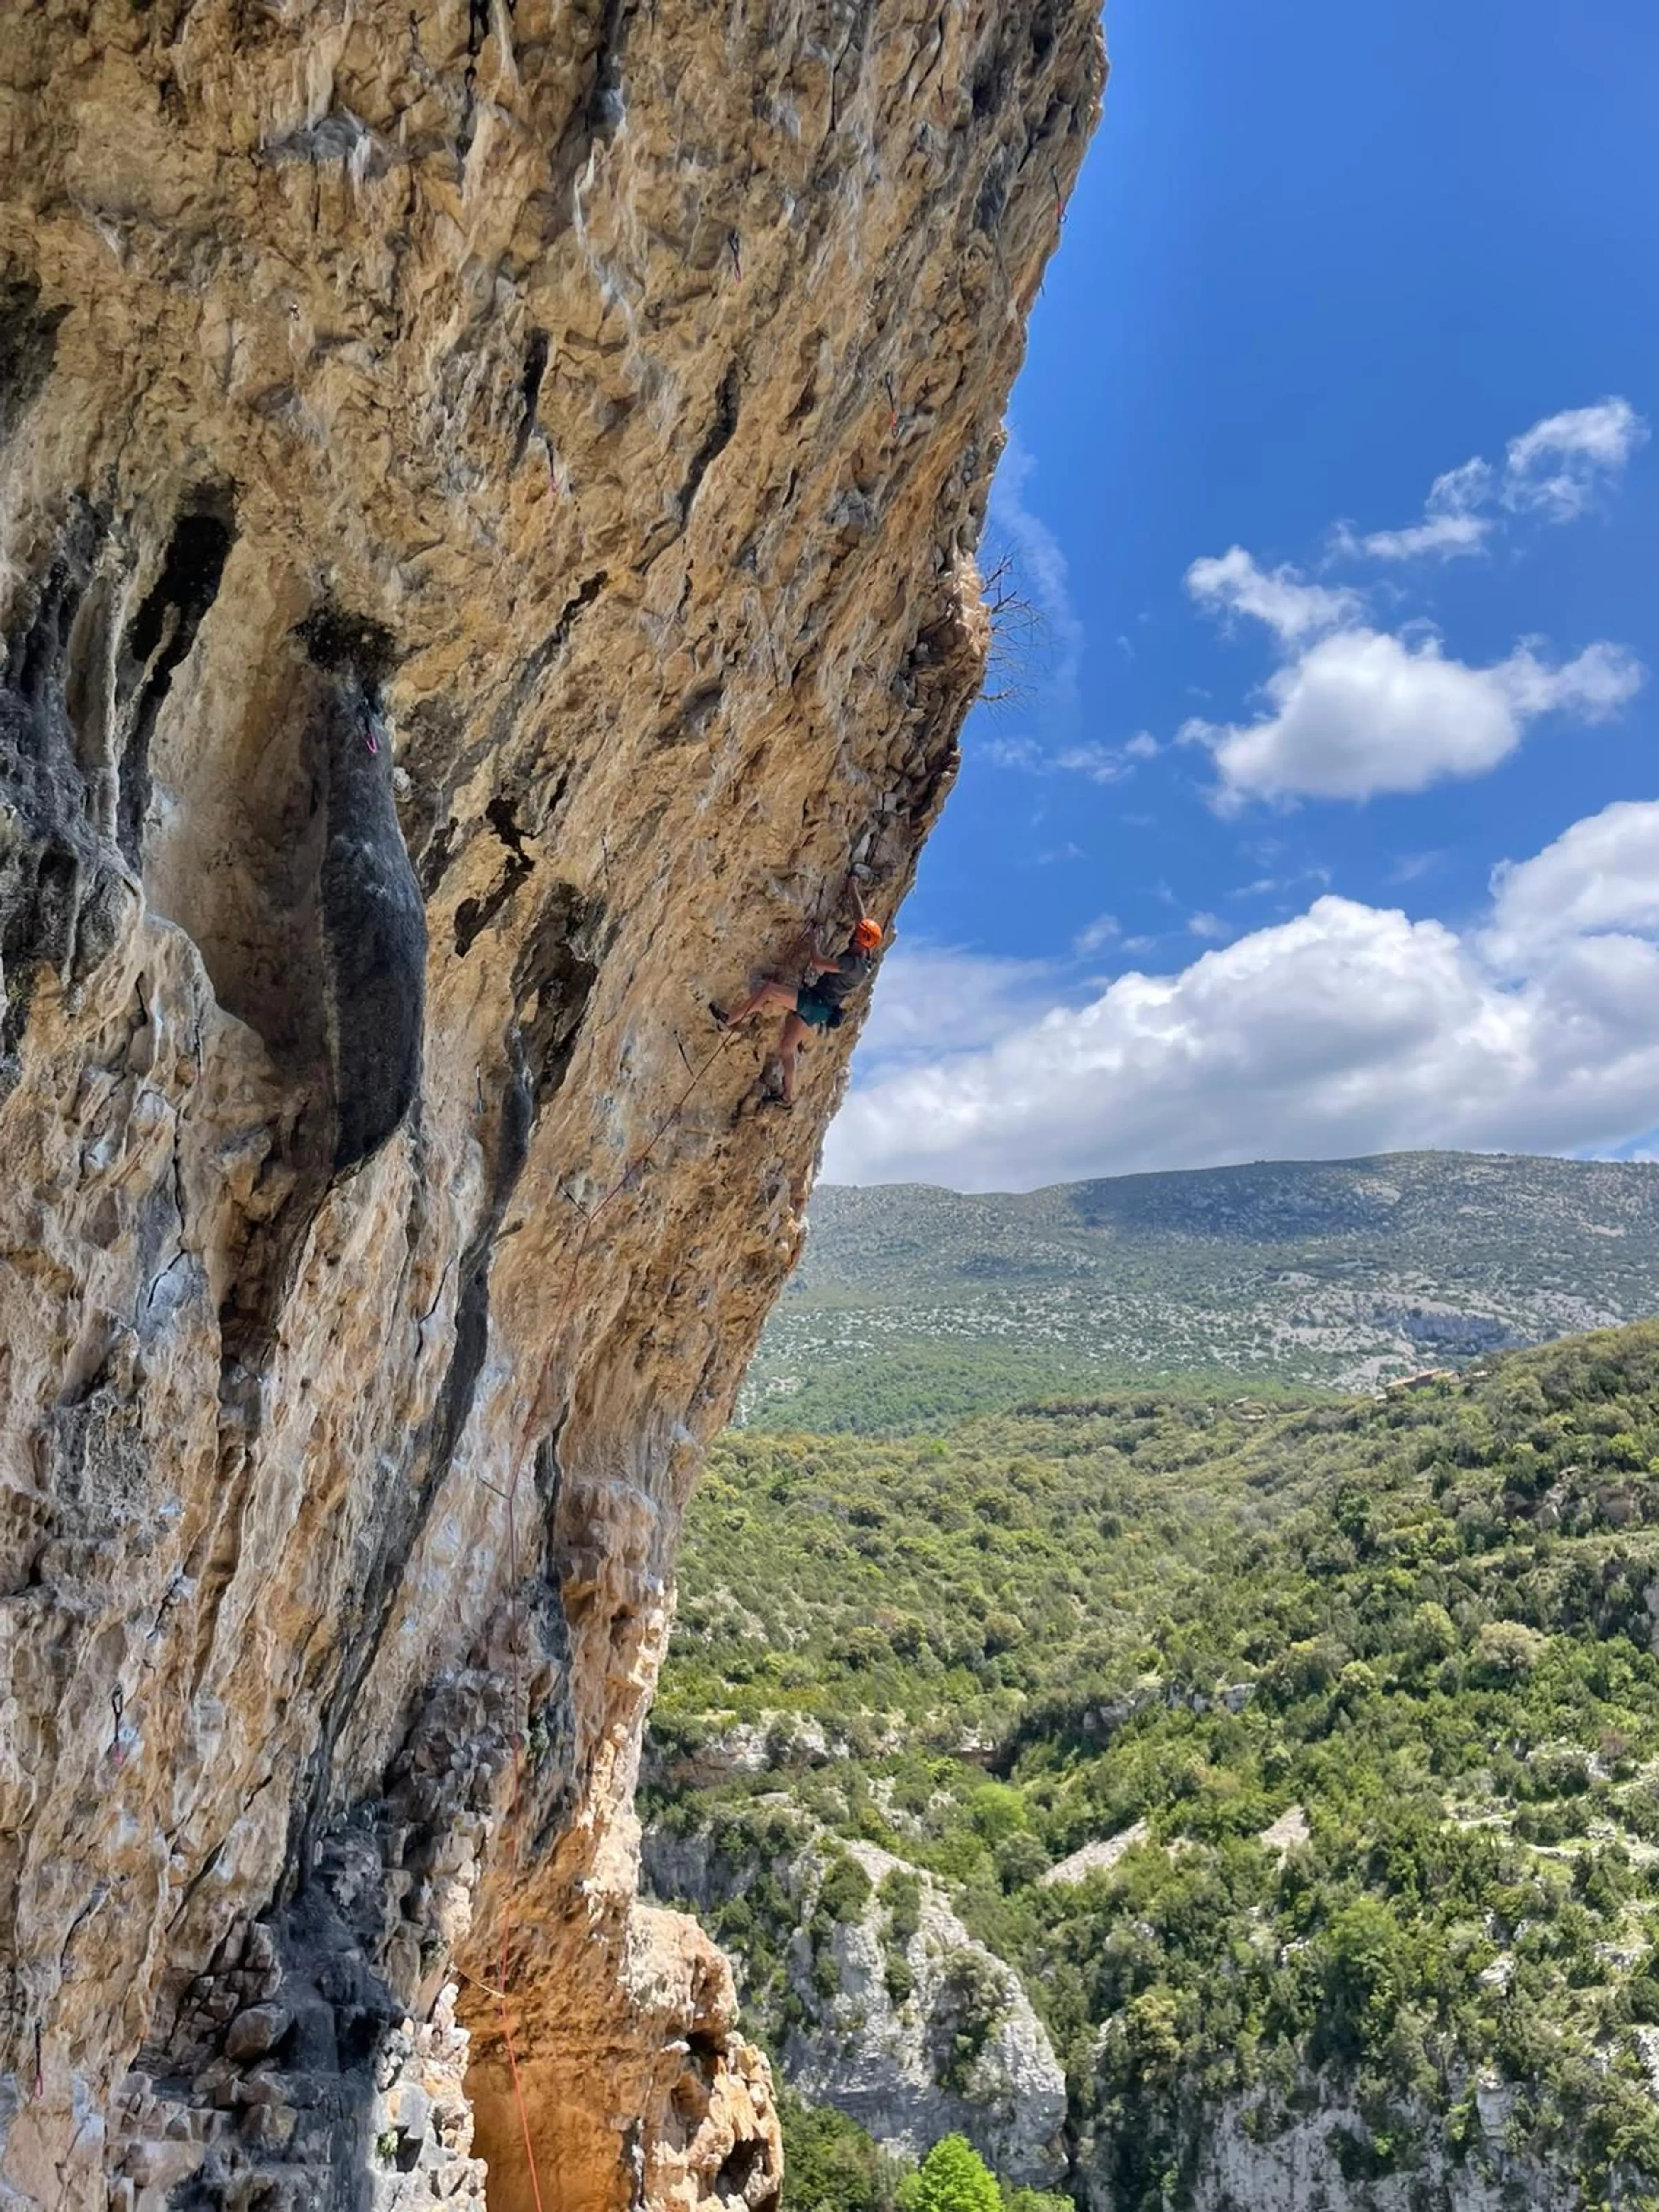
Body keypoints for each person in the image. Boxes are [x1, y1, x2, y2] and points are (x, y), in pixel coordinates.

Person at [712, 898, 886, 1107]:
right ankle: (787, 1097)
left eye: (857, 933)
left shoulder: (852, 965)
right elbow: (861, 916)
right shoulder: (865, 956)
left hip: (815, 1002)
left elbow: (818, 963)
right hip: (822, 1009)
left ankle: (729, 1020)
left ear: (859, 938)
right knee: (787, 1048)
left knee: (768, 991)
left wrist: (814, 940)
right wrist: (852, 887)